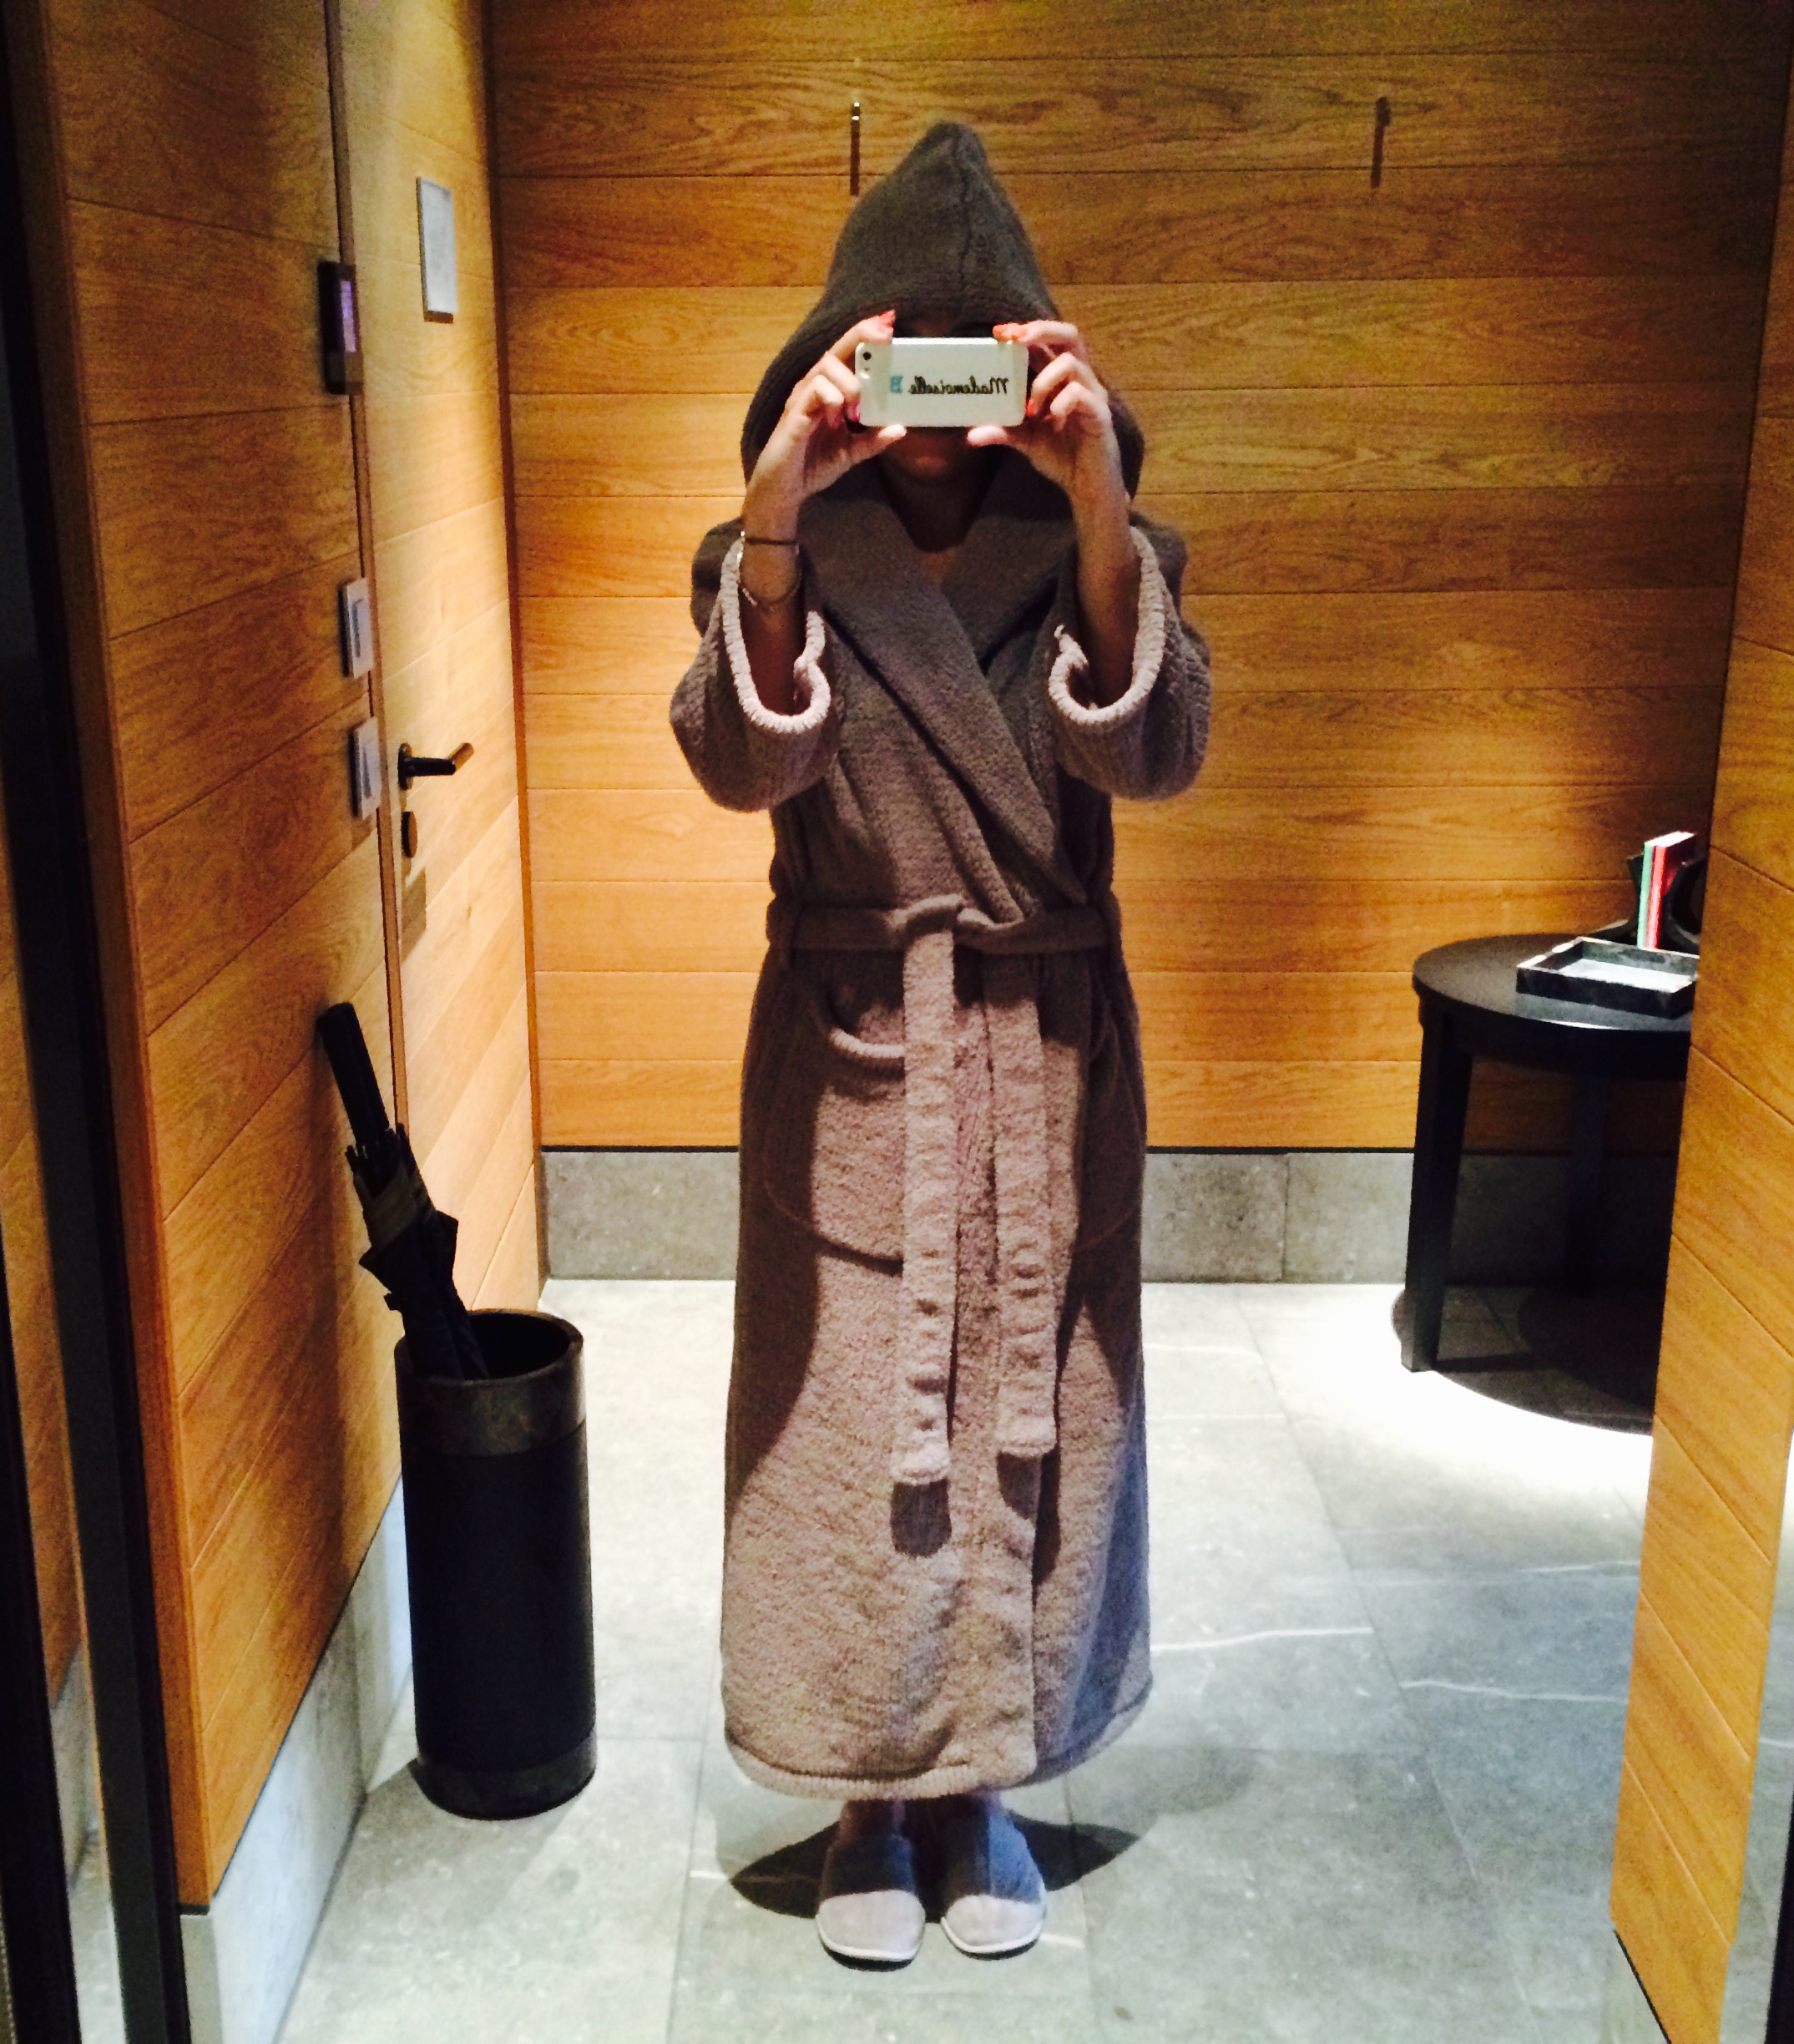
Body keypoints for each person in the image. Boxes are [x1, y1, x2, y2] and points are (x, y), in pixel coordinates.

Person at [669, 123, 1210, 1966]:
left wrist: (1100, 504)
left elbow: (1155, 756)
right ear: (840, 353)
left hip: (1045, 1055)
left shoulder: (1100, 546)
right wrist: (772, 508)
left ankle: (982, 1782)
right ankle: (861, 1793)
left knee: (1039, 1422)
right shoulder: (776, 547)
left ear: (1029, 364)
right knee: (845, 1442)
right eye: (906, 354)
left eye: (976, 359)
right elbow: (740, 765)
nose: (936, 398)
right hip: (852, 1052)